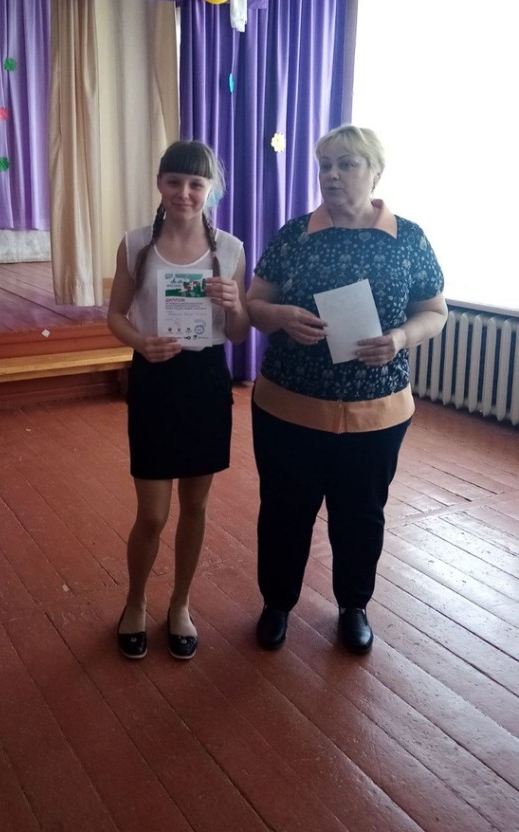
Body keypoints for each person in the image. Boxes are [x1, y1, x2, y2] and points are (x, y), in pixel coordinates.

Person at [247, 125, 447, 654]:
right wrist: (282, 316)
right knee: (284, 512)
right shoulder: (295, 235)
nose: (332, 176)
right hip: (288, 409)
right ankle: (276, 603)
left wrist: (400, 338)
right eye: (325, 165)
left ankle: (353, 605)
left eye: (347, 164)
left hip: (377, 414)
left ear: (375, 172)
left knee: (361, 516)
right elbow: (254, 306)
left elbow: (434, 311)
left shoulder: (408, 239)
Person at [107, 140, 249, 661]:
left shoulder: (230, 249)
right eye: (174, 182)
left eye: (196, 184)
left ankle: (181, 603)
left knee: (196, 505)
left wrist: (235, 305)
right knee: (152, 514)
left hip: (205, 380)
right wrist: (141, 342)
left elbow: (238, 333)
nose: (184, 193)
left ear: (210, 190)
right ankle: (135, 601)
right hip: (154, 378)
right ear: (160, 184)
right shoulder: (135, 243)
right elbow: (115, 315)